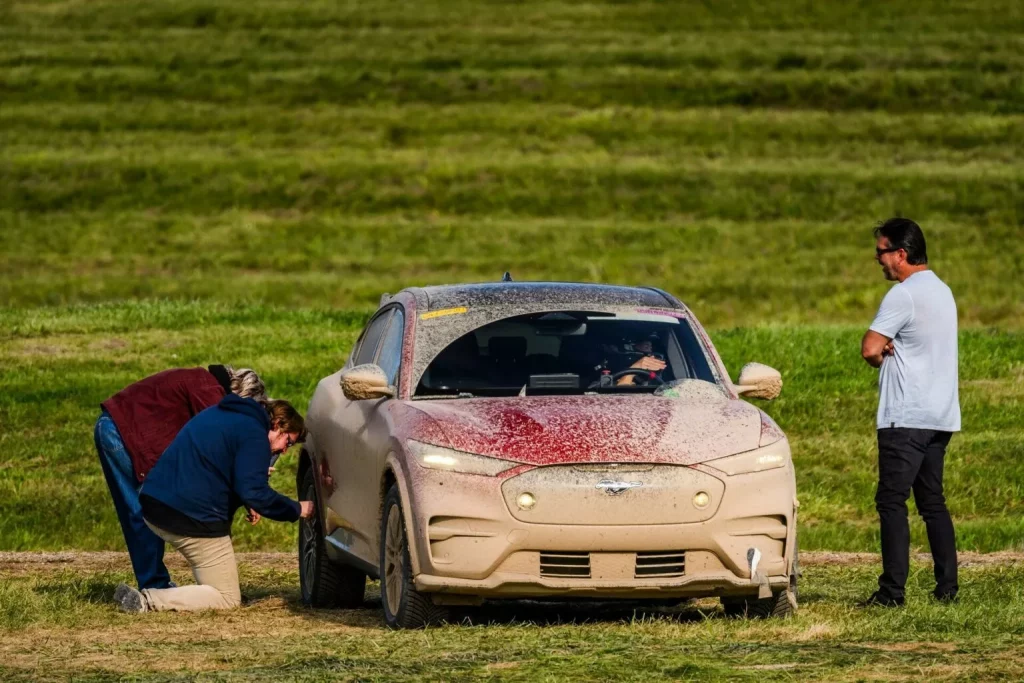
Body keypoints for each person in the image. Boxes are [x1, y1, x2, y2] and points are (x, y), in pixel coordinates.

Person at [113, 396, 314, 613]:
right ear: (278, 425)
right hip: (188, 517)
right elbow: (255, 492)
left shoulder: (223, 413)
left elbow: (221, 468)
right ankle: (148, 599)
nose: (284, 451)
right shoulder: (255, 434)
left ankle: (161, 594)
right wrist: (297, 508)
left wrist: (247, 498)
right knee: (226, 598)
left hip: (153, 502)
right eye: (289, 443)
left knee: (217, 586)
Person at [859, 217, 961, 607]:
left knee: (891, 502)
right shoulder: (943, 290)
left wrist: (881, 350)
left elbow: (870, 347)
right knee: (932, 502)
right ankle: (947, 589)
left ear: (900, 254)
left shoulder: (904, 295)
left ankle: (891, 592)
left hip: (906, 416)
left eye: (881, 252)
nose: (878, 260)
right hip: (940, 415)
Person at [95, 365, 265, 590]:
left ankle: (153, 583)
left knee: (137, 513)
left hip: (110, 427)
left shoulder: (202, 381)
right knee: (145, 511)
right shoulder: (210, 392)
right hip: (123, 435)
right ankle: (155, 585)